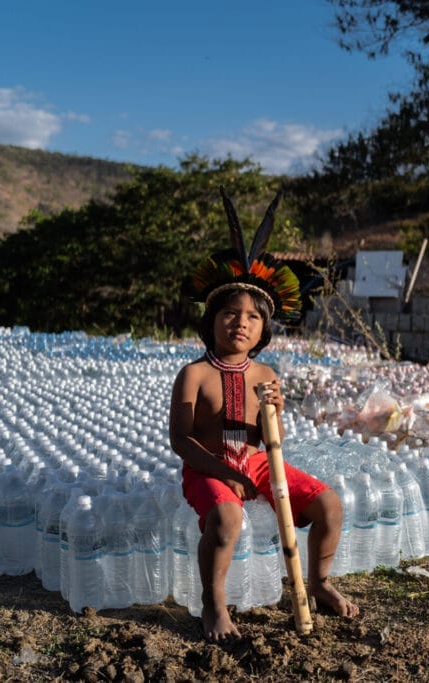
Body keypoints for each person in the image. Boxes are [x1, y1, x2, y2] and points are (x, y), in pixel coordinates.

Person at [169, 189, 358, 643]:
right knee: (228, 519)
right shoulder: (193, 375)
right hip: (206, 466)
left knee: (330, 504)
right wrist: (221, 472)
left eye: (253, 317)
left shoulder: (267, 372)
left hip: (255, 461)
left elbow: (273, 439)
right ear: (211, 320)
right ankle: (214, 605)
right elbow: (181, 440)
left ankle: (319, 583)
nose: (241, 323)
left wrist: (275, 410)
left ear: (264, 330)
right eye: (230, 314)